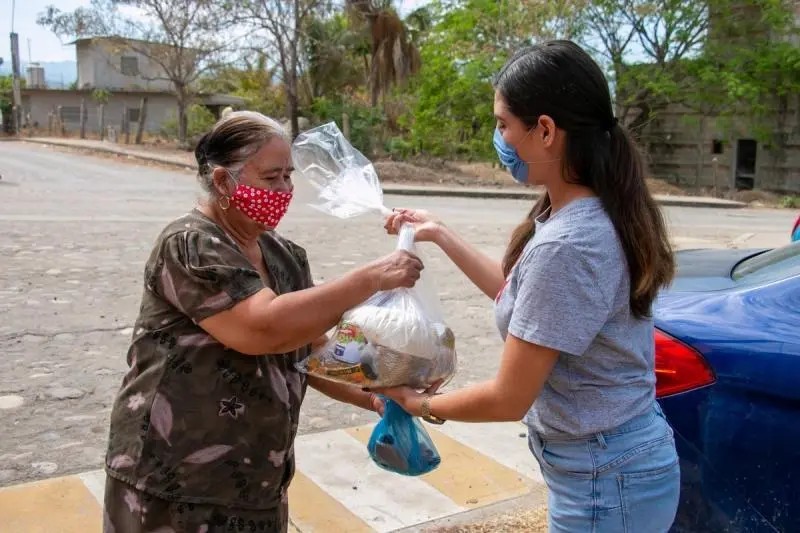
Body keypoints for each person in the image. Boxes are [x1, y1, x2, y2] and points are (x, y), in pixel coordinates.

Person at [378, 40, 680, 532]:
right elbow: (529, 301)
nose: (498, 139)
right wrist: (441, 233)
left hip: (606, 481)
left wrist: (419, 403)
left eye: (502, 125)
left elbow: (508, 397)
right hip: (610, 466)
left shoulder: (568, 243)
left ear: (544, 130)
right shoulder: (586, 209)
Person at [102, 111, 423, 532]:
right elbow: (262, 329)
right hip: (174, 481)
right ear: (222, 182)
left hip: (255, 480)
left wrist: (382, 391)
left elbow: (308, 348)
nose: (285, 190)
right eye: (272, 178)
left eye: (289, 176)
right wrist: (371, 278)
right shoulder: (191, 244)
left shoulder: (283, 255)